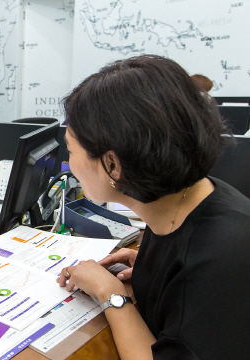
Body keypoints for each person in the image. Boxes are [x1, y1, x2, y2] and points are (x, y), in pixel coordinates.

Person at [57, 55, 250, 359]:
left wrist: (112, 294)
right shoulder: (191, 197)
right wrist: (154, 272)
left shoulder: (221, 260)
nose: (68, 164)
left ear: (112, 164)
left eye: (70, 150)